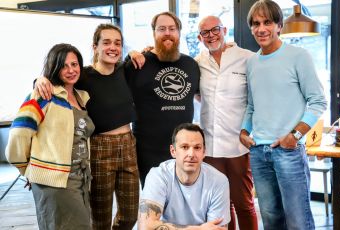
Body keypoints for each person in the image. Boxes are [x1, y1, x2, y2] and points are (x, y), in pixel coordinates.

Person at [34, 24, 144, 230]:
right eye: (106, 42)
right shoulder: (82, 75)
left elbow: (141, 56)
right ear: (95, 46)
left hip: (129, 146)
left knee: (130, 215)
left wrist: (135, 52)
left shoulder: (125, 70)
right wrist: (39, 79)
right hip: (99, 147)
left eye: (117, 43)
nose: (113, 47)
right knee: (100, 218)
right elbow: (54, 80)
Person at [239, 1, 327, 229]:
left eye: (267, 22)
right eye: (256, 24)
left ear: (279, 25)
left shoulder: (299, 56)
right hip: (258, 152)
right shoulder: (252, 63)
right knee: (271, 220)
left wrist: (295, 136)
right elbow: (251, 105)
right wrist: (244, 130)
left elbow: (318, 101)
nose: (261, 29)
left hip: (289, 151)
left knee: (298, 221)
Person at [6, 43, 95, 230]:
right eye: (64, 65)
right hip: (54, 183)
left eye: (74, 64)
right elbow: (18, 135)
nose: (71, 70)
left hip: (80, 178)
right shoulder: (43, 95)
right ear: (54, 67)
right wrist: (29, 170)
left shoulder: (81, 97)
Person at [195, 16, 258, 230]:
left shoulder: (247, 58)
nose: (211, 35)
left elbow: (257, 97)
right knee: (220, 206)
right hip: (210, 146)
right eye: (205, 32)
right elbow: (195, 93)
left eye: (215, 30)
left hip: (238, 144)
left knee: (244, 203)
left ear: (225, 30)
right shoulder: (198, 62)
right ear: (199, 37)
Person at [125, 12, 200, 186]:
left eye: (172, 29)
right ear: (154, 33)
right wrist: (130, 54)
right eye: (162, 29)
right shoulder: (137, 64)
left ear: (179, 33)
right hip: (148, 150)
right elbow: (107, 77)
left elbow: (202, 95)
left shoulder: (191, 65)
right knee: (154, 204)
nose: (167, 33)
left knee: (185, 201)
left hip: (183, 148)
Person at [138, 123, 230, 230]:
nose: (191, 154)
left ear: (204, 152)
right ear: (173, 151)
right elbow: (145, 227)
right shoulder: (158, 176)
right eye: (185, 147)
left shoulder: (219, 181)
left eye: (197, 147)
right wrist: (199, 229)